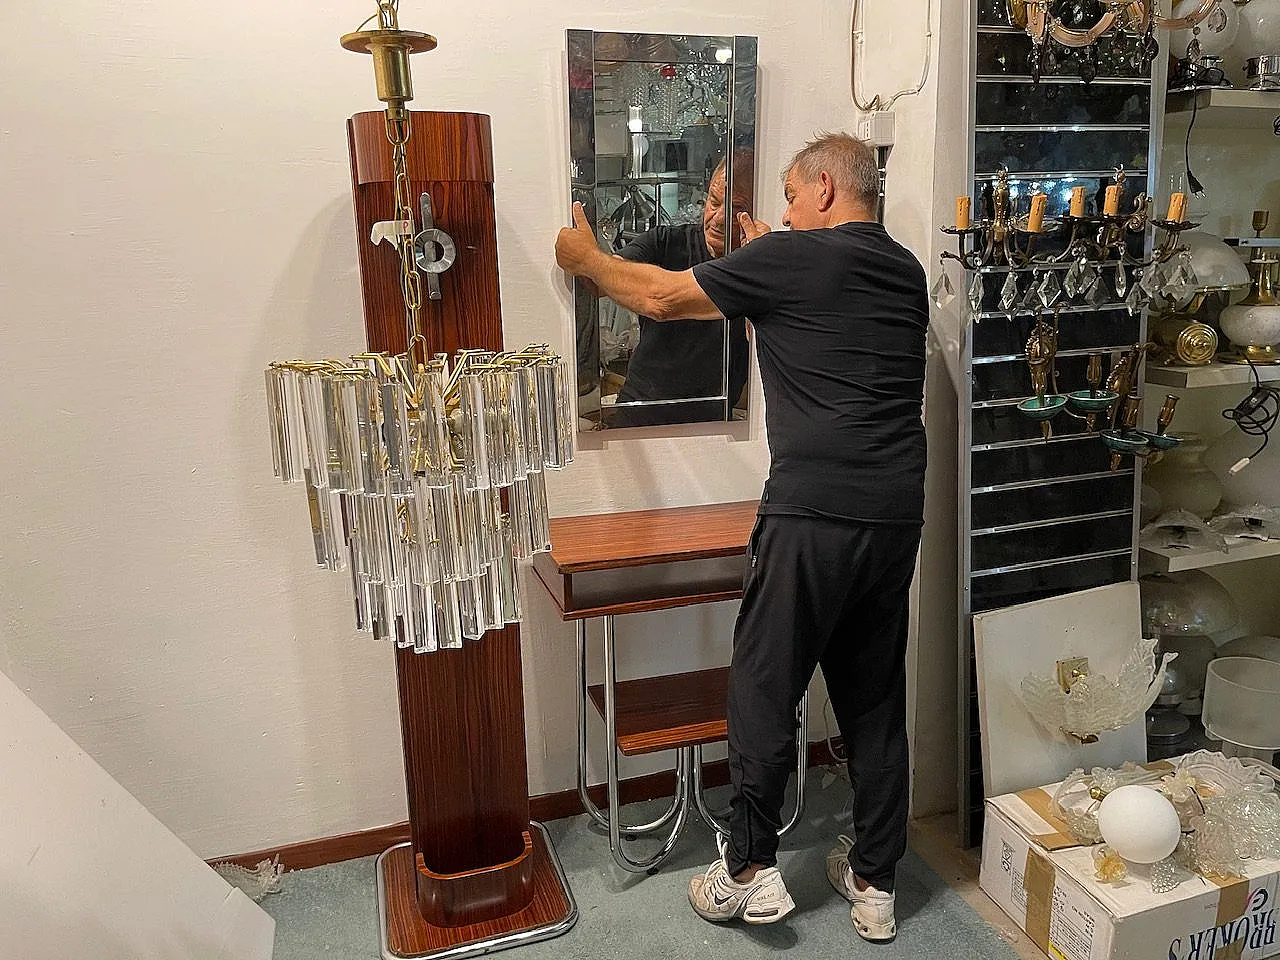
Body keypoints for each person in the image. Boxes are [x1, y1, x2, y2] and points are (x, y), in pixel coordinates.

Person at [555, 132, 927, 943]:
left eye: (792, 196)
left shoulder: (792, 262)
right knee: (873, 696)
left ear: (826, 189)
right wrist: (770, 258)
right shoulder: (904, 270)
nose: (782, 214)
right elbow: (822, 327)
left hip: (812, 511)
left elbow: (656, 297)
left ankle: (746, 868)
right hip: (896, 512)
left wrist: (585, 258)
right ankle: (875, 882)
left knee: (763, 687)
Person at [607, 155, 752, 427]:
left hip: (714, 424)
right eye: (714, 202)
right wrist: (589, 260)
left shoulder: (758, 266)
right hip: (640, 413)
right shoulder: (665, 242)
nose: (718, 219)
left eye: (737, 208)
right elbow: (607, 276)